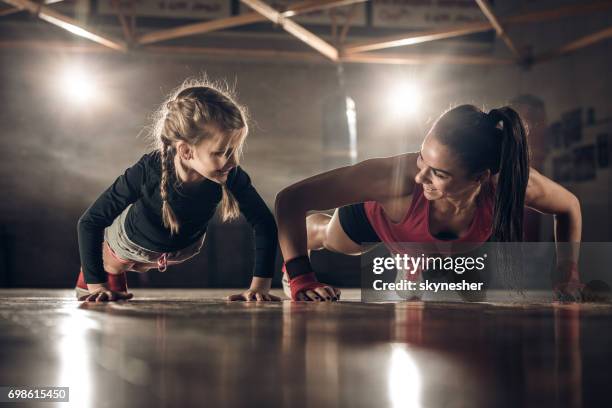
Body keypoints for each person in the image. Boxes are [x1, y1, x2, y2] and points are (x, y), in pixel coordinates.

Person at [275, 105, 583, 302]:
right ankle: (319, 233)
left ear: (480, 178)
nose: (420, 176)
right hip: (374, 217)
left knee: (472, 291)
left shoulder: (512, 186)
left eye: (438, 173)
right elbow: (290, 199)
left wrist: (568, 270)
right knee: (333, 238)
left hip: (441, 244)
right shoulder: (393, 179)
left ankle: (410, 263)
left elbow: (569, 207)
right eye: (422, 157)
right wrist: (301, 274)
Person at [76, 81, 279, 302]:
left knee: (131, 259)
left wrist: (260, 286)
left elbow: (264, 221)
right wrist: (97, 286)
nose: (232, 161)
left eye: (235, 150)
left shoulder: (230, 174)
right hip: (130, 242)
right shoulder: (148, 170)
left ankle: (113, 268)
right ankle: (108, 270)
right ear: (185, 151)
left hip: (185, 248)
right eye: (222, 152)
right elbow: (90, 222)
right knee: (111, 253)